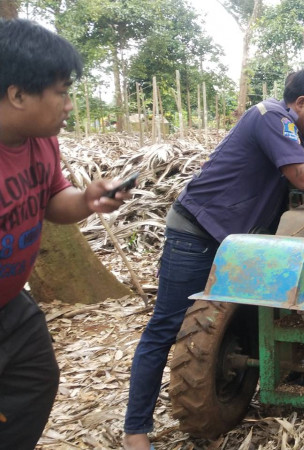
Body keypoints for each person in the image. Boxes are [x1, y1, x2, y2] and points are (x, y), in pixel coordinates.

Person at [122, 68, 304, 450]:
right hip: (197, 231)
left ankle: (234, 392)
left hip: (239, 241)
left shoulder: (296, 130)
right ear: (300, 103)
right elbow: (303, 176)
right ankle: (135, 431)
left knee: (250, 315)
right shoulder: (270, 117)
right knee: (165, 327)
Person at [0, 19, 131, 449]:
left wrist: (88, 198)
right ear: (18, 94)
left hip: (11, 306)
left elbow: (54, 199)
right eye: (61, 92)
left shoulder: (40, 141)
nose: (69, 105)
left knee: (36, 379)